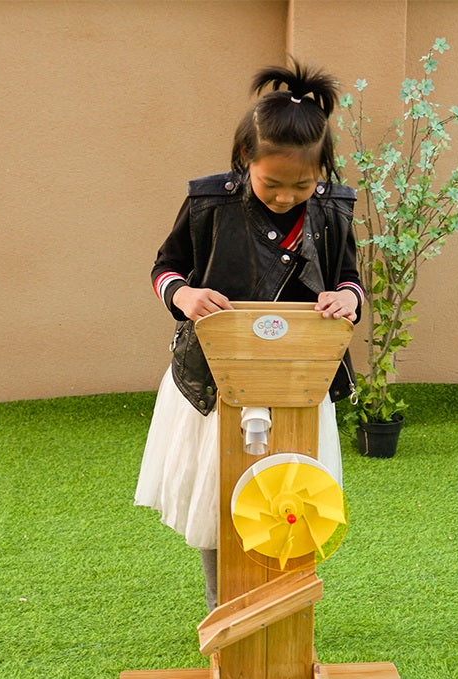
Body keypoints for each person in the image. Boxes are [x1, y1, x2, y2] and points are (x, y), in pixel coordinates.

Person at [134, 60, 364, 611]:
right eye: (272, 184)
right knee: (222, 494)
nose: (286, 197)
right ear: (245, 161)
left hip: (300, 383)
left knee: (293, 495)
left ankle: (285, 609)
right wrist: (185, 296)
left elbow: (349, 278)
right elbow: (166, 268)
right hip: (217, 383)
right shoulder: (209, 204)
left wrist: (347, 298)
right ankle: (224, 605)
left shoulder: (333, 212)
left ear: (322, 174)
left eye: (302, 186)